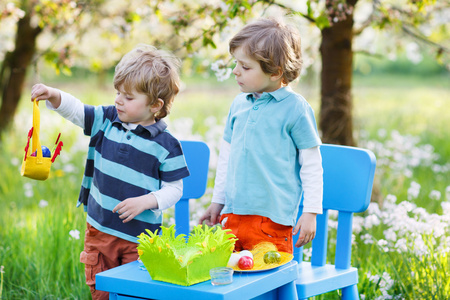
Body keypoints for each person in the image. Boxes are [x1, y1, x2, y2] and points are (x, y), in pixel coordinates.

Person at [31, 44, 190, 300]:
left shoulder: (166, 145)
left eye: (128, 97)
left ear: (155, 105)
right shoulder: (106, 120)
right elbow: (76, 110)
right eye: (118, 92)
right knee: (102, 292)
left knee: (136, 294)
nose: (118, 100)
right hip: (99, 230)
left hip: (140, 239)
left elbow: (174, 189)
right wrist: (52, 94)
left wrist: (147, 201)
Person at [198, 18, 323, 254]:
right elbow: (227, 158)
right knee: (232, 280)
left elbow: (312, 165)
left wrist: (311, 211)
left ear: (275, 72)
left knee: (270, 282)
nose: (235, 71)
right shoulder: (238, 105)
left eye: (245, 67)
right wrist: (218, 201)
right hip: (232, 217)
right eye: (236, 63)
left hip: (272, 221)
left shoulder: (296, 109)